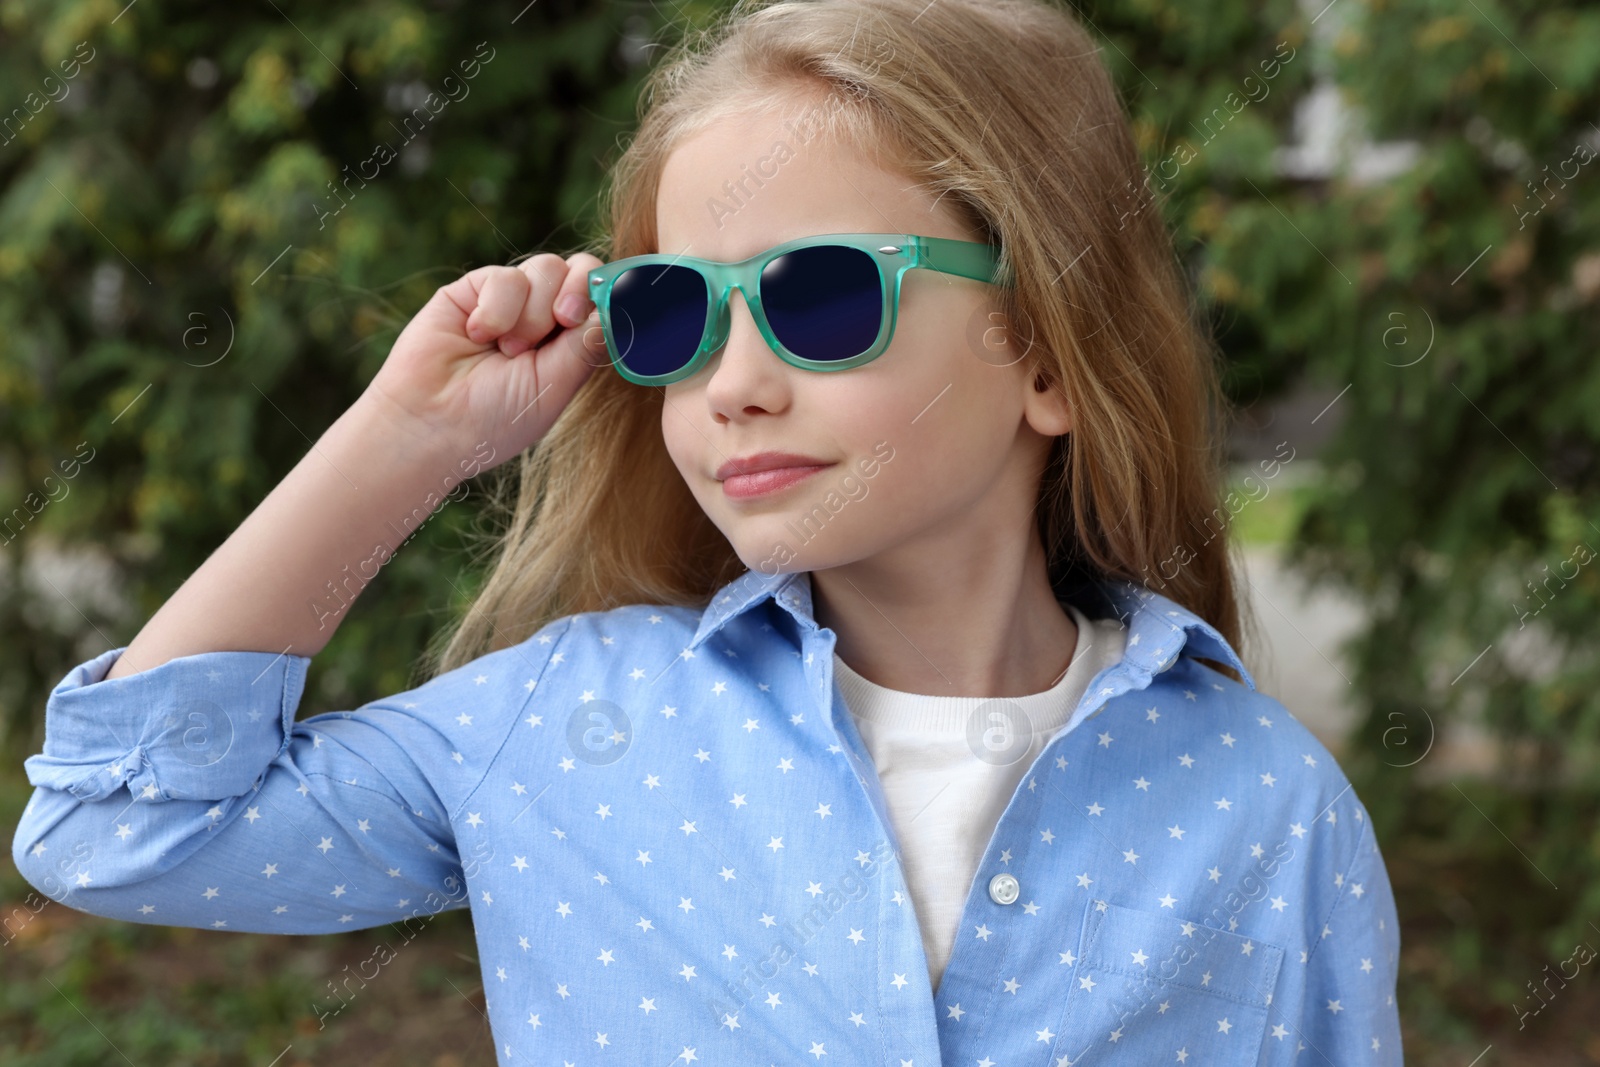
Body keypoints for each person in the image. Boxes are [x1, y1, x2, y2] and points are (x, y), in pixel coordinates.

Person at [11, 0, 1402, 1063]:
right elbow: (113, 826)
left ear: (1043, 350)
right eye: (675, 313)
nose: (733, 381)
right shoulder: (561, 722)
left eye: (819, 295)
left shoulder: (1265, 807)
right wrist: (411, 437)